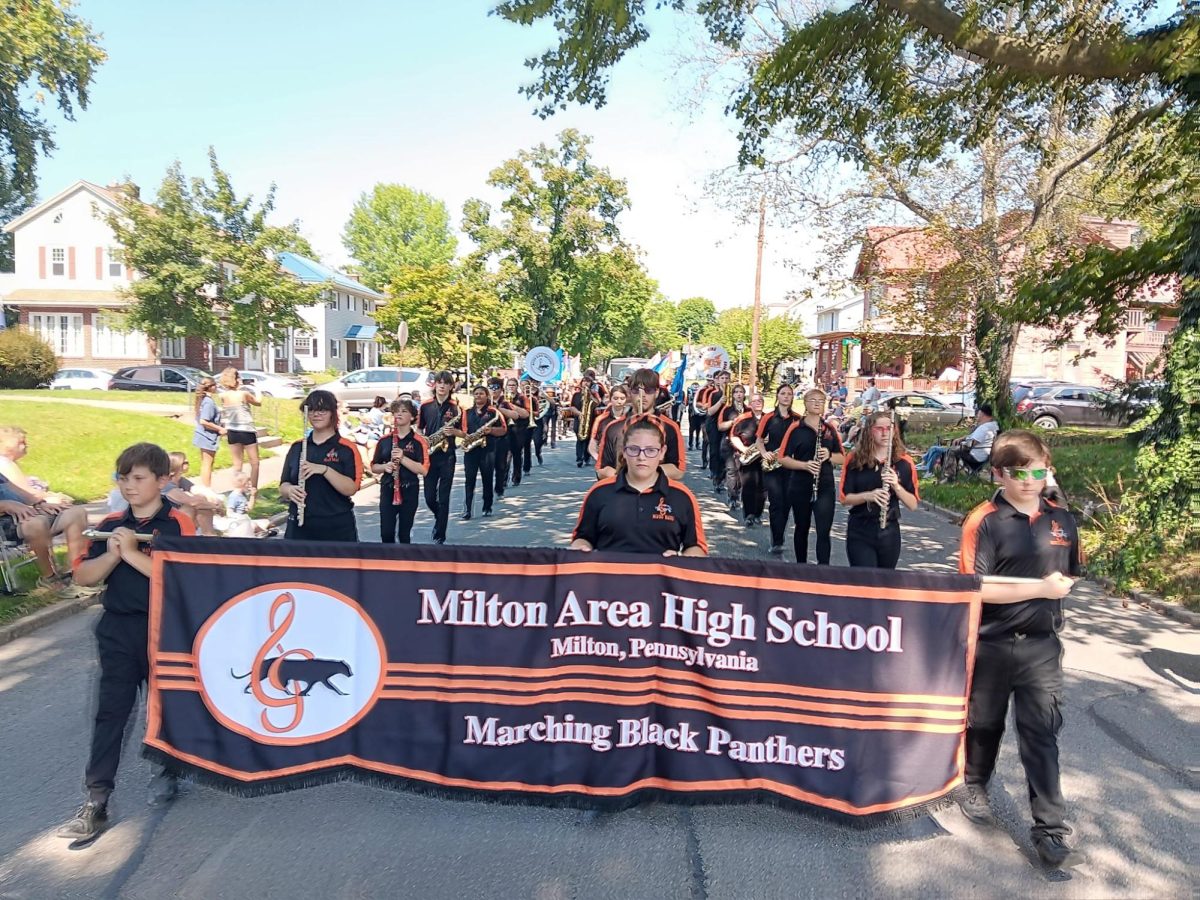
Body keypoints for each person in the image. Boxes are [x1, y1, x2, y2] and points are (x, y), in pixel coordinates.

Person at [56, 443, 195, 843]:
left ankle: (168, 765)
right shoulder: (113, 522)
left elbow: (180, 577)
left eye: (138, 478)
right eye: (123, 477)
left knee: (165, 704)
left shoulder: (178, 524)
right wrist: (115, 553)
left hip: (166, 629)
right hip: (118, 629)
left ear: (163, 481)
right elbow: (84, 577)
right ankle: (96, 801)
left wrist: (131, 552)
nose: (129, 486)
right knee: (110, 714)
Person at [956, 430, 1081, 868]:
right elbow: (977, 588)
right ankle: (974, 782)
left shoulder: (1062, 520)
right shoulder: (984, 520)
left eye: (1037, 470)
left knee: (1041, 735)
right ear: (998, 473)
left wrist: (1053, 590)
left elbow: (1068, 576)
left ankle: (1050, 830)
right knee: (985, 723)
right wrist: (1041, 588)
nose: (1029, 481)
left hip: (1043, 647)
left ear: (1048, 468)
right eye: (1017, 473)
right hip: (992, 643)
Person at [570, 417, 708, 557]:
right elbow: (582, 538)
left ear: (662, 452)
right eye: (633, 449)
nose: (642, 457)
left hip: (662, 578)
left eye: (650, 450)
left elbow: (697, 547)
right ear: (623, 451)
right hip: (608, 577)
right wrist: (581, 548)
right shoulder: (599, 492)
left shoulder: (682, 496)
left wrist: (681, 560)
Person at [0, 426, 94, 595]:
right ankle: (49, 578)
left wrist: (40, 502)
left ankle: (74, 573)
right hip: (5, 523)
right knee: (37, 523)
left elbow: (19, 491)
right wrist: (6, 505)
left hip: (23, 514)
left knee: (75, 512)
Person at [279, 390, 363, 542]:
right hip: (300, 526)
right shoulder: (297, 447)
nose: (316, 414)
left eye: (322, 410)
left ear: (333, 413)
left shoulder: (346, 448)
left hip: (336, 526)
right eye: (311, 409)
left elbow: (351, 488)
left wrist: (324, 470)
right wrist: (289, 490)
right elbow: (283, 483)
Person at [839, 412, 919, 568]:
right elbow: (844, 499)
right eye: (879, 428)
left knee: (885, 583)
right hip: (860, 528)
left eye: (889, 428)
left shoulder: (904, 462)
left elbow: (913, 504)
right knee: (865, 580)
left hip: (889, 530)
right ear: (869, 431)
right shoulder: (854, 459)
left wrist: (896, 485)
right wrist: (868, 496)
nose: (884, 433)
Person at [779, 389, 846, 565]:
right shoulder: (795, 428)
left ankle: (823, 569)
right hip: (800, 484)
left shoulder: (829, 429)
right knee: (802, 527)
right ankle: (801, 567)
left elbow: (843, 457)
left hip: (824, 485)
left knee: (824, 530)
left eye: (821, 401)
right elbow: (782, 458)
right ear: (806, 404)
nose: (817, 404)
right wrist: (804, 465)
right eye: (813, 400)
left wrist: (829, 455)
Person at [594, 370, 687, 481]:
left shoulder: (670, 427)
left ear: (656, 392)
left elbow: (678, 470)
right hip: (620, 494)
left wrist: (644, 472)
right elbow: (601, 469)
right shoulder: (613, 427)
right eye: (636, 390)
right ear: (629, 392)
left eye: (648, 390)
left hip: (656, 495)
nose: (642, 396)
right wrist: (626, 478)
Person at [371, 399, 431, 544]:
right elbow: (374, 466)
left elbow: (423, 470)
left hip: (409, 489)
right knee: (386, 533)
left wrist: (402, 458)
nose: (399, 414)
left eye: (404, 411)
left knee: (404, 534)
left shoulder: (419, 441)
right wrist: (385, 467)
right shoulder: (385, 440)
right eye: (396, 411)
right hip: (388, 488)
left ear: (412, 417)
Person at [754, 384, 800, 555]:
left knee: (787, 503)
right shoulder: (768, 417)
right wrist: (764, 453)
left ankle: (779, 534)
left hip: (790, 465)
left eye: (789, 394)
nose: (786, 396)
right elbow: (759, 440)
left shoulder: (797, 419)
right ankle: (777, 540)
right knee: (776, 501)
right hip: (773, 465)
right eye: (783, 393)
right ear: (778, 396)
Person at [419, 371, 463, 545]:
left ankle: (440, 534)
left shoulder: (456, 409)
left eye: (446, 383)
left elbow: (464, 433)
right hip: (429, 455)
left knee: (444, 496)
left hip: (447, 456)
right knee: (429, 497)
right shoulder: (425, 406)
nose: (442, 386)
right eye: (439, 383)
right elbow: (419, 429)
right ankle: (440, 517)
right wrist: (423, 440)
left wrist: (454, 432)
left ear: (451, 386)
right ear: (435, 385)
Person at [459, 385, 507, 520]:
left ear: (487, 396)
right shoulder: (466, 413)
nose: (478, 396)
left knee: (487, 478)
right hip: (471, 449)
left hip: (488, 449)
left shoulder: (494, 412)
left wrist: (490, 431)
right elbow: (462, 430)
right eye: (476, 393)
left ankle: (487, 505)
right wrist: (465, 437)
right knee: (469, 480)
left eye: (481, 393)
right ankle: (467, 508)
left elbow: (503, 430)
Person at [217, 366, 262, 491]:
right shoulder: (244, 394)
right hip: (246, 430)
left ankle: (238, 489)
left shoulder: (223, 396)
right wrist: (257, 390)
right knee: (255, 463)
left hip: (232, 430)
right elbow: (258, 402)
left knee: (237, 464)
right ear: (235, 379)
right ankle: (253, 489)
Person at [729, 393, 766, 526]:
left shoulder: (768, 419)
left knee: (762, 486)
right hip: (747, 456)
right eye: (755, 401)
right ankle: (749, 514)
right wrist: (744, 450)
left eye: (760, 400)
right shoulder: (742, 419)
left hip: (764, 457)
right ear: (750, 404)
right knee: (749, 485)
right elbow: (733, 436)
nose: (758, 403)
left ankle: (758, 513)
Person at [162, 452, 221, 535]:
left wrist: (213, 498)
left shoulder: (181, 480)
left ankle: (209, 535)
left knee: (201, 498)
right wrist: (215, 506)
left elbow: (198, 490)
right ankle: (198, 537)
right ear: (174, 468)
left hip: (175, 518)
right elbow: (192, 502)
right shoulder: (166, 485)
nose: (187, 463)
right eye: (184, 462)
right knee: (190, 508)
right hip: (163, 523)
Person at [589, 385, 630, 478]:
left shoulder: (631, 418)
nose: (619, 401)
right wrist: (597, 457)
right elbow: (593, 443)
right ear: (610, 399)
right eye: (615, 398)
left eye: (622, 398)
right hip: (606, 465)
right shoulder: (601, 419)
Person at [718, 384, 748, 510]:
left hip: (744, 446)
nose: (739, 394)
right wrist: (733, 422)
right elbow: (720, 426)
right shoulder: (727, 410)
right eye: (736, 392)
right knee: (731, 471)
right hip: (728, 444)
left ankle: (738, 492)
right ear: (733, 395)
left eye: (741, 392)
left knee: (741, 473)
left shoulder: (749, 410)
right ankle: (732, 496)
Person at [191, 377, 225, 487]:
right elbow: (204, 421)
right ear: (211, 387)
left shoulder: (203, 400)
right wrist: (220, 428)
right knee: (207, 464)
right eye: (215, 385)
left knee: (206, 463)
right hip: (207, 437)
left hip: (203, 435)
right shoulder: (209, 402)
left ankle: (205, 487)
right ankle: (206, 489)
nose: (217, 387)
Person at [703, 370, 732, 490]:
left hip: (727, 424)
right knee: (715, 451)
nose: (724, 380)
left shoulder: (733, 394)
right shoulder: (714, 394)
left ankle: (722, 476)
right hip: (714, 424)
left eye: (727, 378)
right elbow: (710, 411)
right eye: (722, 378)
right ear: (718, 380)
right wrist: (720, 402)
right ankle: (716, 476)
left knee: (725, 452)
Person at [502, 377, 533, 485]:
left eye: (513, 385)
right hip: (507, 429)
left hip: (520, 428)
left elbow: (526, 413)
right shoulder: (503, 399)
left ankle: (516, 476)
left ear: (517, 386)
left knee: (516, 453)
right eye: (509, 385)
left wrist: (512, 406)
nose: (511, 387)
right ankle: (504, 478)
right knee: (506, 454)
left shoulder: (523, 398)